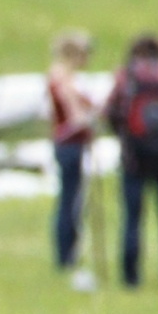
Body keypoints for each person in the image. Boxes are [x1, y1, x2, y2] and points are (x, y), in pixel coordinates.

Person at [105, 35, 158, 288]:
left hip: (134, 158)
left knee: (132, 217)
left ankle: (130, 275)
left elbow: (112, 113)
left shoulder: (127, 77)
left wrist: (124, 138)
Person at [46, 31, 97, 283]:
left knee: (71, 198)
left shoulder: (64, 77)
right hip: (69, 144)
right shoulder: (62, 77)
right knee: (70, 199)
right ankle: (66, 253)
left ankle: (68, 251)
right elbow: (74, 114)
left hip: (68, 143)